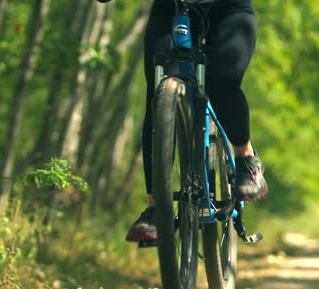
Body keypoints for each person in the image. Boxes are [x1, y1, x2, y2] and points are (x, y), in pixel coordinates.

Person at [97, 0, 268, 242]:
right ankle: (157, 207)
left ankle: (246, 159)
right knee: (157, 93)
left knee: (222, 81)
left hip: (228, 9)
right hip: (172, 10)